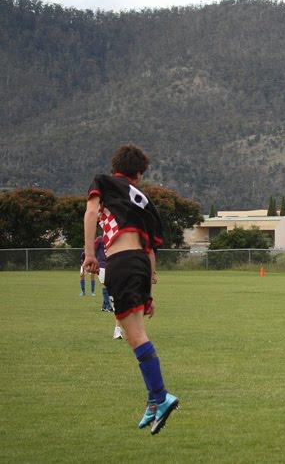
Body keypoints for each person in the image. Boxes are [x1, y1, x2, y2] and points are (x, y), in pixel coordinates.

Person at [82, 143, 179, 434]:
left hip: (121, 264)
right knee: (134, 334)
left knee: (135, 335)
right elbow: (149, 251)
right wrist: (148, 294)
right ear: (139, 174)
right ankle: (153, 400)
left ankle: (161, 396)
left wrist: (89, 254)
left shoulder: (103, 182)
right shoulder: (142, 201)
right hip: (139, 264)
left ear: (116, 167)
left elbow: (91, 213)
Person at [94, 233, 124, 339]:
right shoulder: (100, 239)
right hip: (102, 266)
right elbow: (93, 250)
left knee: (114, 291)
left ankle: (106, 305)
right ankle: (107, 305)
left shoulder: (115, 238)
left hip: (114, 266)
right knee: (107, 286)